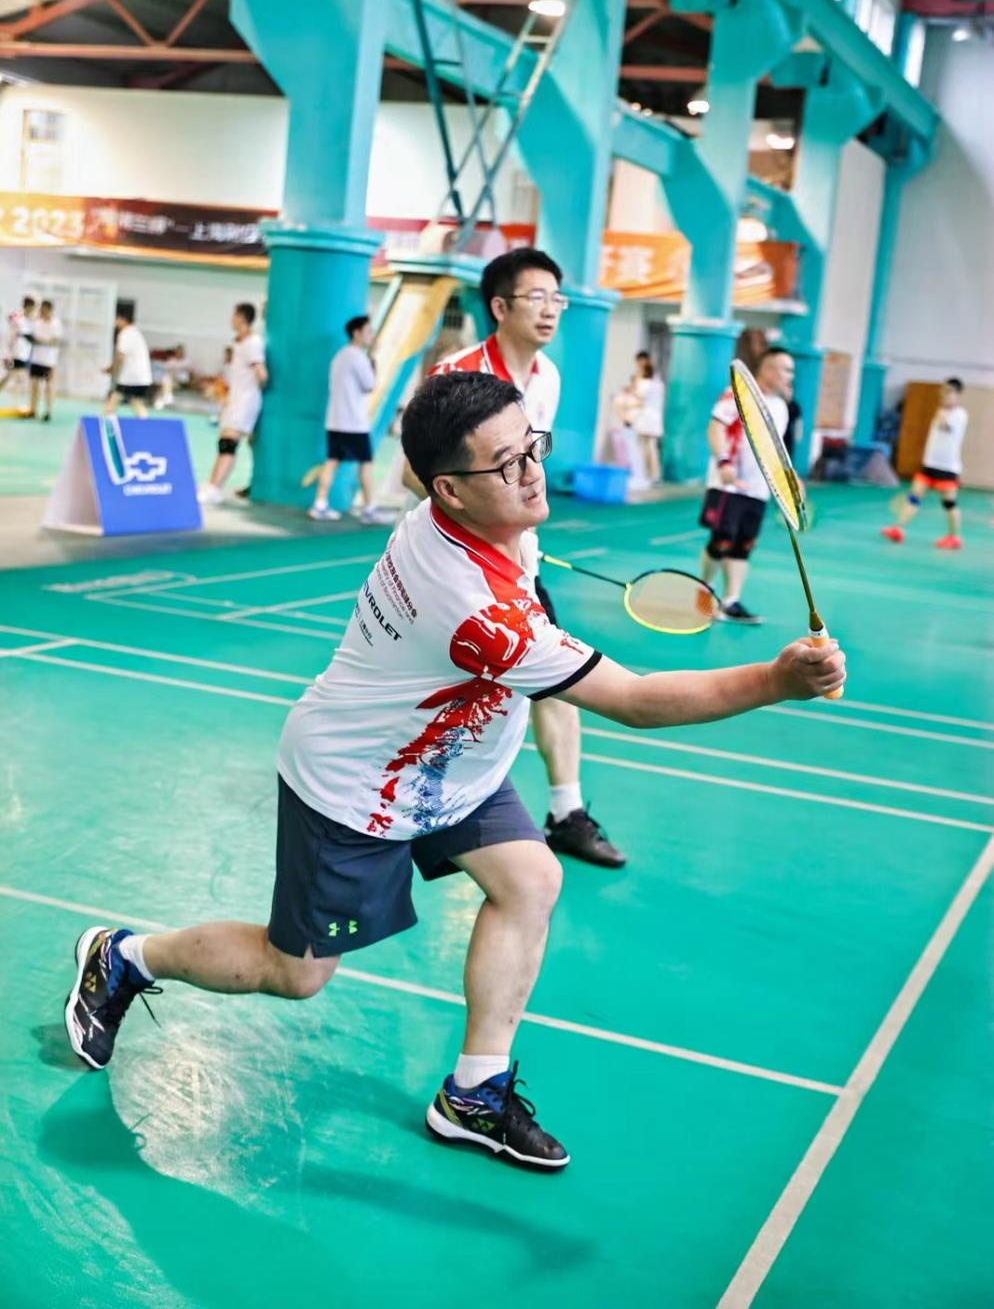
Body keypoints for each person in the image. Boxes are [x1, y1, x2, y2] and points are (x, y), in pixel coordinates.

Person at [63, 370, 845, 1171]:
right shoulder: (480, 613)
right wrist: (775, 682)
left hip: (453, 764)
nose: (532, 472)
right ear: (451, 490)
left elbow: (436, 472)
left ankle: (474, 1094)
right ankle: (125, 956)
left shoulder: (467, 515)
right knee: (294, 975)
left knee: (530, 881)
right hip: (358, 786)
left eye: (533, 448)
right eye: (507, 464)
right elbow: (637, 702)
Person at [423, 246, 624, 868]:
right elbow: (416, 474)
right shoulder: (456, 374)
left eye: (557, 298)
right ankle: (415, 801)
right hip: (452, 565)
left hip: (518, 564)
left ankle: (566, 812)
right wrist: (484, 524)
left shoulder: (549, 377)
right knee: (435, 691)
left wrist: (515, 533)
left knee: (556, 680)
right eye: (536, 297)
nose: (550, 310)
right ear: (499, 307)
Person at [699, 346, 795, 624]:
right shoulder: (738, 395)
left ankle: (731, 602)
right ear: (768, 369)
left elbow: (775, 449)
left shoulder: (780, 406)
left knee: (744, 545)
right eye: (786, 369)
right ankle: (704, 593)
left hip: (758, 489)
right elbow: (715, 427)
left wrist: (790, 477)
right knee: (721, 541)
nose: (790, 375)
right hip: (729, 485)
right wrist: (724, 462)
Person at [308, 314, 391, 525]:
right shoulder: (358, 357)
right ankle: (369, 509)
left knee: (331, 462)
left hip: (335, 421)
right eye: (368, 331)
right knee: (366, 465)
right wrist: (373, 357)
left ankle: (319, 504)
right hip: (354, 424)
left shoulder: (340, 355)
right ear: (356, 333)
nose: (371, 336)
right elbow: (370, 385)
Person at [882, 378, 968, 550]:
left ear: (958, 395)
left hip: (947, 468)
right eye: (943, 391)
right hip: (930, 465)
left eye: (949, 392)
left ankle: (954, 537)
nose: (944, 395)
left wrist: (942, 415)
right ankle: (898, 529)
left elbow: (946, 428)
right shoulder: (941, 410)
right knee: (914, 496)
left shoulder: (960, 415)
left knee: (949, 504)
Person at [198, 304, 267, 506]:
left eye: (234, 315)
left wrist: (250, 391)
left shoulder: (253, 343)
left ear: (241, 317)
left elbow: (262, 374)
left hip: (245, 401)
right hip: (236, 400)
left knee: (229, 443)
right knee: (225, 442)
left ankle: (215, 489)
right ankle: (212, 484)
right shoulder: (240, 342)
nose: (231, 319)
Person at [104, 308, 152, 418]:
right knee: (136, 403)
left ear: (122, 320)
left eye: (117, 319)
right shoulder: (136, 332)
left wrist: (113, 369)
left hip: (130, 376)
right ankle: (145, 423)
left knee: (113, 401)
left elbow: (120, 356)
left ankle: (107, 423)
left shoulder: (125, 334)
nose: (115, 322)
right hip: (144, 377)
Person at [26, 298, 62, 422]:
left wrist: (42, 341)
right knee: (34, 386)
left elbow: (56, 341)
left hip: (49, 361)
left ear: (50, 310)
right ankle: (33, 410)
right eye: (41, 310)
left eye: (44, 310)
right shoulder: (37, 322)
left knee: (48, 386)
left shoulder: (55, 323)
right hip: (36, 358)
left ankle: (48, 411)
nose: (42, 312)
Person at [632, 350, 664, 485]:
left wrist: (635, 384)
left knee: (650, 447)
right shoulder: (656, 380)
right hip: (649, 416)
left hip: (648, 417)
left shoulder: (647, 381)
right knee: (646, 447)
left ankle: (653, 475)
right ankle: (648, 474)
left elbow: (639, 397)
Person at [0, 295, 35, 406]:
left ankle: (18, 401)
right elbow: (10, 317)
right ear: (28, 306)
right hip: (17, 352)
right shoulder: (19, 317)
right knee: (14, 376)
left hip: (25, 353)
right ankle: (18, 401)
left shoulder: (31, 320)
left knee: (16, 377)